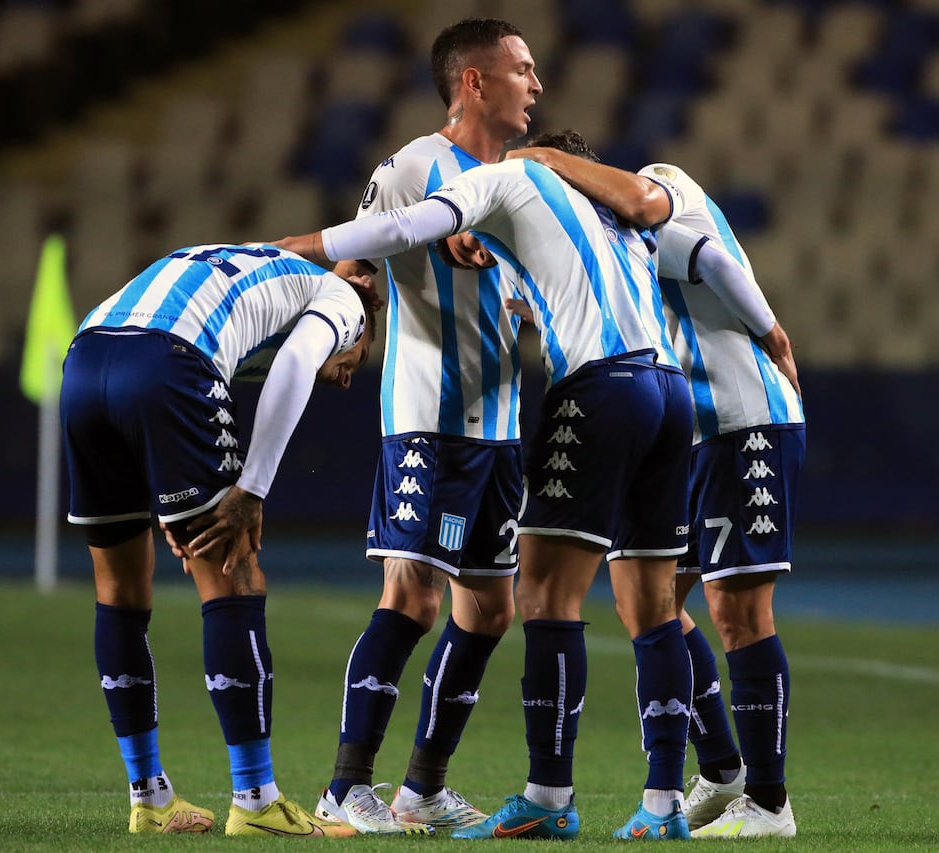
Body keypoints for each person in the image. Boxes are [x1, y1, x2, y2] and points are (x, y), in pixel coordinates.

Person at [271, 128, 792, 841]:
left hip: (602, 388)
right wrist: (773, 332)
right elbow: (696, 256)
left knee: (545, 593)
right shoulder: (612, 224)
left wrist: (294, 249)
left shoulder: (507, 176)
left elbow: (402, 226)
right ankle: (665, 801)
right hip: (671, 395)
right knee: (655, 602)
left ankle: (546, 790)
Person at [503, 144, 803, 837]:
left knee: (739, 608)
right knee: (659, 603)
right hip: (693, 431)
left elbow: (714, 261)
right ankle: (724, 773)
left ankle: (769, 802)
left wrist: (774, 336)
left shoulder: (655, 191)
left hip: (743, 414)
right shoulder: (603, 249)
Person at [305, 17, 542, 836]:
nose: (536, 85)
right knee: (411, 595)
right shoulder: (410, 168)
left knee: (490, 609)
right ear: (473, 82)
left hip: (501, 425)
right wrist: (351, 330)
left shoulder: (527, 178)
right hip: (428, 419)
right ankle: (345, 788)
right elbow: (356, 262)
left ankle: (422, 790)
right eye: (521, 69)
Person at [62, 242, 374, 837]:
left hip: (86, 358)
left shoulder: (248, 262)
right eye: (358, 359)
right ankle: (256, 801)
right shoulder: (343, 299)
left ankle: (149, 799)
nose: (348, 375)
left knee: (119, 589)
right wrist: (250, 490)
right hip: (168, 361)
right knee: (235, 573)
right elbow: (294, 366)